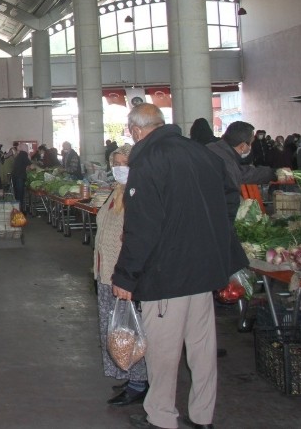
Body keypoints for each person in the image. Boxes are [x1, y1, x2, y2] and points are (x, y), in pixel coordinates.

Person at [112, 104, 245, 429]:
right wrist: (213, 235)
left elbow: (142, 226)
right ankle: (202, 416)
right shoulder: (202, 153)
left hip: (167, 275)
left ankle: (161, 418)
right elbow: (231, 197)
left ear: (136, 130)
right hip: (204, 271)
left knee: (163, 351)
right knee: (202, 348)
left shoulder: (148, 160)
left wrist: (126, 276)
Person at [94, 144, 148, 406]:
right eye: (115, 164)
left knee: (128, 331)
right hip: (107, 273)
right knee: (115, 330)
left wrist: (128, 275)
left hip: (123, 276)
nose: (119, 169)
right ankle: (128, 374)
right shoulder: (117, 193)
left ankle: (139, 383)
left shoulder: (139, 195)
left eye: (124, 164)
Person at [206, 121, 276, 189]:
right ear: (242, 146)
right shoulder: (227, 162)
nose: (251, 147)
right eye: (251, 143)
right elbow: (235, 184)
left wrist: (273, 173)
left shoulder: (214, 148)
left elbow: (241, 172)